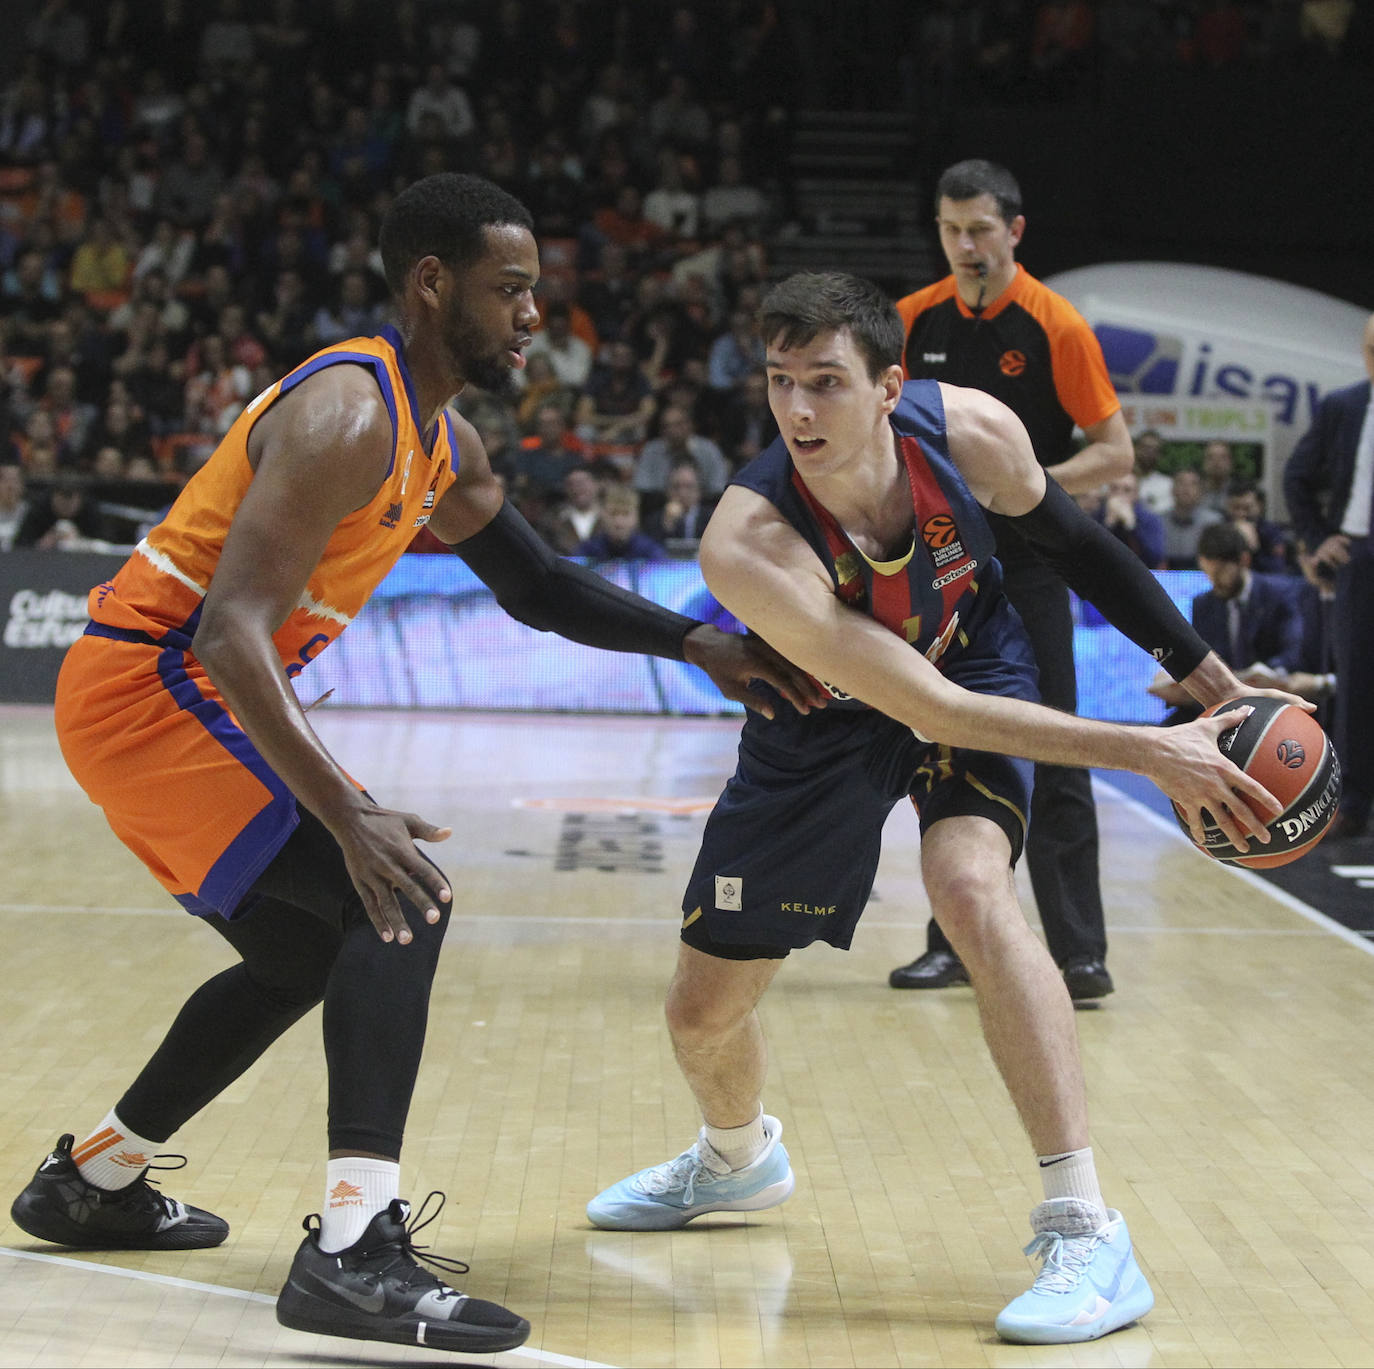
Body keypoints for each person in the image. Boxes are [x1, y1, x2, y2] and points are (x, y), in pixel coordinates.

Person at [8, 174, 818, 1359]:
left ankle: (93, 1179)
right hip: (154, 685)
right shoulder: (350, 412)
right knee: (398, 898)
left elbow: (539, 587)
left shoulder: (443, 442)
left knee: (299, 951)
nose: (536, 314)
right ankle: (350, 1252)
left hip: (154, 693)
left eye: (536, 289)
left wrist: (692, 639)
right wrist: (350, 813)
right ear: (433, 285)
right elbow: (231, 632)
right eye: (512, 290)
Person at [584, 272, 1287, 1345]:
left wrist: (1211, 681)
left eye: (826, 382)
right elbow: (922, 707)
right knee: (700, 1014)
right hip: (827, 713)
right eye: (781, 385)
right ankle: (734, 1158)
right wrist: (1153, 751)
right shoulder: (751, 541)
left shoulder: (977, 436)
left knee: (968, 885)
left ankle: (1086, 1225)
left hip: (976, 650)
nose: (799, 411)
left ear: (889, 387)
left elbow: (1084, 552)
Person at [889, 159, 1133, 1001]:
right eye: (951, 229)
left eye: (980, 230)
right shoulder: (912, 320)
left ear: (1015, 232)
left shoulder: (1055, 323)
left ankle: (1081, 953)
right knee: (944, 745)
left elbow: (1117, 451)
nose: (964, 245)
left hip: (1031, 565)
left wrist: (1029, 485)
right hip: (939, 567)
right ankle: (951, 940)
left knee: (1059, 746)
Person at [1283, 310, 1374, 839]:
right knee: (1358, 683)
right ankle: (1353, 803)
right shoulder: (1345, 407)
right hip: (1359, 560)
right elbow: (1297, 476)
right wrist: (1318, 540)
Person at [1147, 521, 1308, 724]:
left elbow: (1292, 653)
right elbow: (1200, 656)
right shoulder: (1204, 604)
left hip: (1268, 700)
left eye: (1221, 572)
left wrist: (1267, 673)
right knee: (1166, 730)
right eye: (1208, 573)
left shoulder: (1278, 595)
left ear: (1244, 560)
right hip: (1223, 702)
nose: (1214, 581)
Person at [576, 485, 668, 561]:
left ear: (636, 518)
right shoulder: (587, 551)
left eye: (625, 514)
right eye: (613, 514)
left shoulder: (650, 551)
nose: (619, 522)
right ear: (602, 516)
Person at [1163, 466, 1223, 568]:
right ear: (1172, 489)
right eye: (1181, 483)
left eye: (1193, 484)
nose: (1186, 489)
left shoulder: (1214, 523)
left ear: (1201, 491)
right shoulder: (1158, 522)